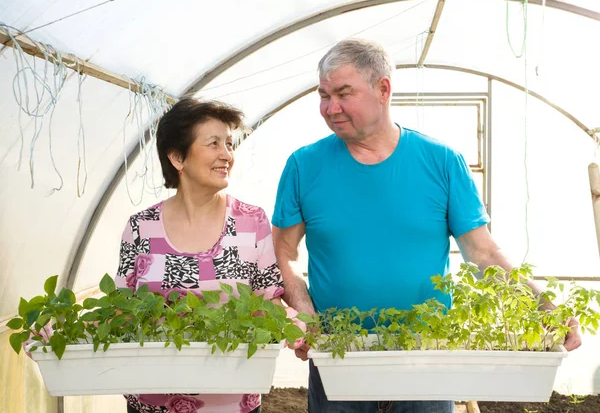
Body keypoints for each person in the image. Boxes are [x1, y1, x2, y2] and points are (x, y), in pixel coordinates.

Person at [271, 38, 582, 413]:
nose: (330, 108)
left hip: (425, 358)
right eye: (323, 95)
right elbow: (283, 253)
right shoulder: (304, 166)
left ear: (383, 89)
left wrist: (544, 305)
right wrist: (305, 316)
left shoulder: (442, 161)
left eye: (343, 94)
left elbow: (482, 252)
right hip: (339, 357)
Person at [115, 98, 285, 413]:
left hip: (231, 402)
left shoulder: (251, 222)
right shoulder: (141, 227)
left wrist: (295, 327)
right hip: (154, 403)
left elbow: (269, 301)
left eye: (229, 144)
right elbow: (122, 311)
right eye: (214, 144)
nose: (227, 155)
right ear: (178, 157)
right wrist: (54, 334)